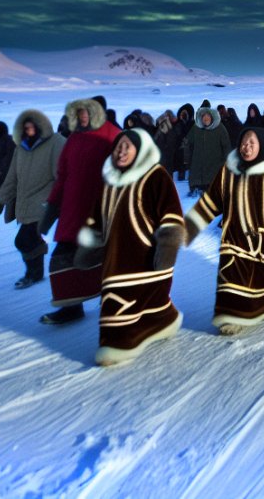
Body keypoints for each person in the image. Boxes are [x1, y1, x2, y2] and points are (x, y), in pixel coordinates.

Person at [184, 127, 264, 335]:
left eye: (252, 143)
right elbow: (211, 201)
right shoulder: (229, 170)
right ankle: (233, 315)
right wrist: (189, 227)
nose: (246, 147)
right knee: (232, 275)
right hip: (234, 237)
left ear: (263, 145)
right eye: (244, 142)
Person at [76, 129, 185, 365]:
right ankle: (163, 319)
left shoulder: (156, 175)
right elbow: (97, 215)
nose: (121, 151)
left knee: (126, 302)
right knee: (124, 298)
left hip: (147, 255)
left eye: (127, 146)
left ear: (140, 150)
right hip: (114, 256)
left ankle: (117, 344)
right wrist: (88, 243)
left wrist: (167, 248)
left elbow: (171, 214)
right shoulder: (110, 179)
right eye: (118, 146)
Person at [39, 98, 119, 324]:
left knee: (107, 258)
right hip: (72, 209)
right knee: (63, 258)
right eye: (80, 113)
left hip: (101, 208)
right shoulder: (73, 139)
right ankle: (70, 307)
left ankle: (115, 300)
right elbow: (62, 176)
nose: (83, 116)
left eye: (87, 112)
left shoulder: (112, 135)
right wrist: (51, 210)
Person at [0, 109, 66, 288]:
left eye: (33, 126)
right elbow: (12, 177)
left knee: (23, 240)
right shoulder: (22, 147)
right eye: (26, 127)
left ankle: (33, 274)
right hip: (24, 201)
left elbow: (62, 175)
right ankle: (36, 270)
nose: (29, 130)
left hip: (44, 201)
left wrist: (58, 202)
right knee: (29, 240)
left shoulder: (56, 143)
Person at [181, 104, 233, 196]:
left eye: (207, 116)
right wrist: (186, 156)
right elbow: (187, 141)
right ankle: (196, 188)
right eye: (203, 117)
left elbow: (226, 145)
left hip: (215, 161)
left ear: (212, 117)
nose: (205, 118)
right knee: (196, 175)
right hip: (198, 161)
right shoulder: (196, 128)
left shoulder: (220, 128)